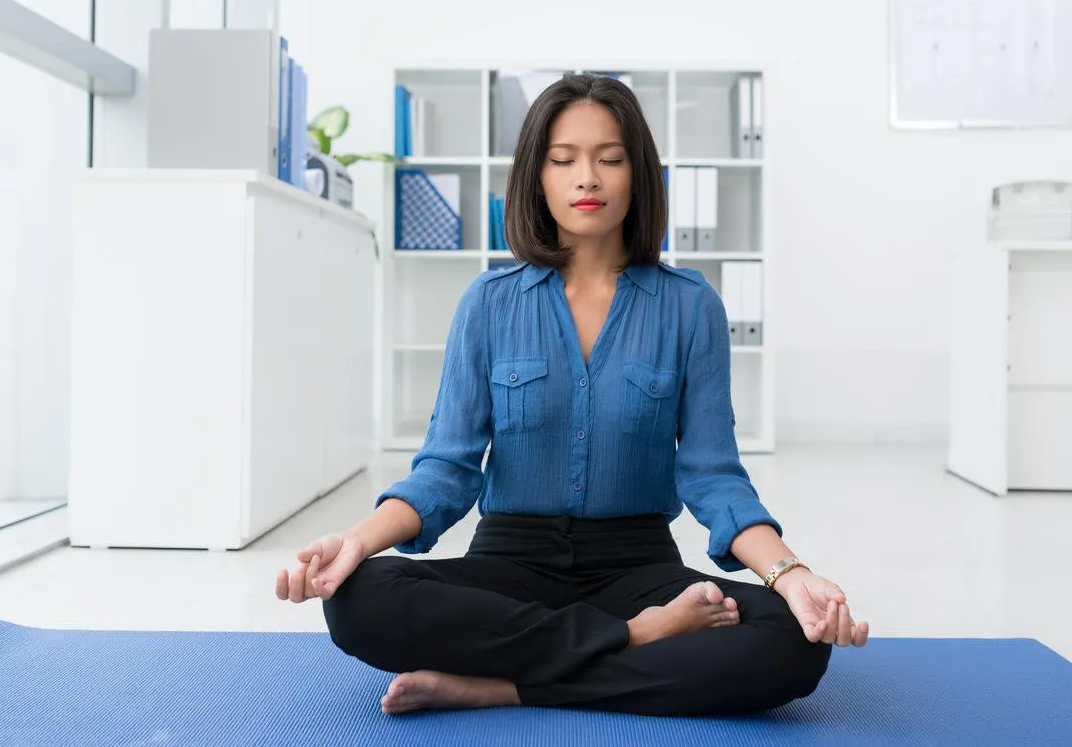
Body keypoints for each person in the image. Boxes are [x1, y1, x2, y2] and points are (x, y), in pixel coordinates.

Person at [275, 73, 869, 718]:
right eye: (564, 161)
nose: (588, 178)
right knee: (360, 599)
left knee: (793, 643)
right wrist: (357, 542)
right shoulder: (489, 304)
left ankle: (505, 685)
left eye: (610, 159)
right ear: (538, 177)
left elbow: (713, 476)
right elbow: (445, 471)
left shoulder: (690, 306)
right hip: (510, 564)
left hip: (638, 568)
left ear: (638, 175)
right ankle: (632, 644)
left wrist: (791, 574)